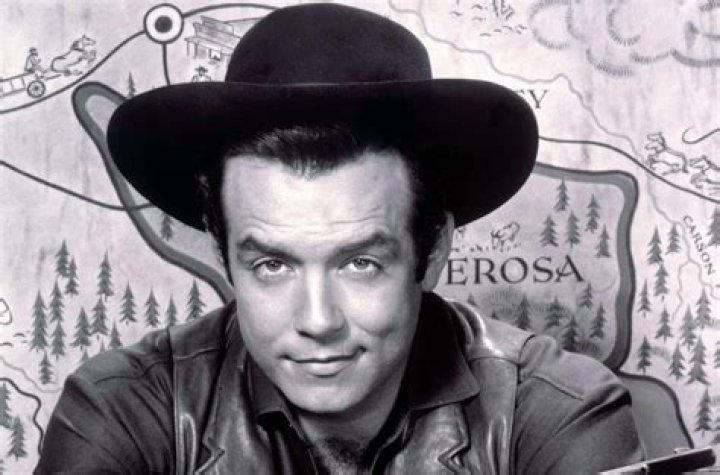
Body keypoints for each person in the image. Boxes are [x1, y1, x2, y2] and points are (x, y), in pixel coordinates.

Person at [36, 4, 643, 473]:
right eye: (272, 265)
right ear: (223, 253)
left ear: (432, 250)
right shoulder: (124, 407)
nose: (318, 321)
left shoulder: (553, 409)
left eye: (360, 263)